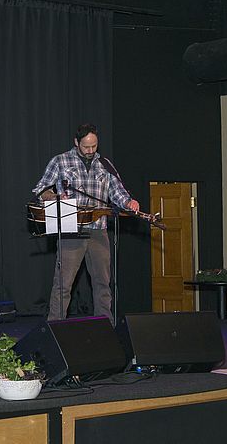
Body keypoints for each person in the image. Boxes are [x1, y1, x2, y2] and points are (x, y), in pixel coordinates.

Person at [32, 123, 139, 321]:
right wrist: (53, 197)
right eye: (86, 147)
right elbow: (40, 190)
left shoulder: (105, 165)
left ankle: (105, 327)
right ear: (76, 143)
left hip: (99, 231)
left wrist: (129, 202)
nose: (90, 151)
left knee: (102, 284)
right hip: (72, 230)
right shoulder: (60, 161)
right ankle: (56, 329)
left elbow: (117, 192)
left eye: (94, 146)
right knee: (63, 285)